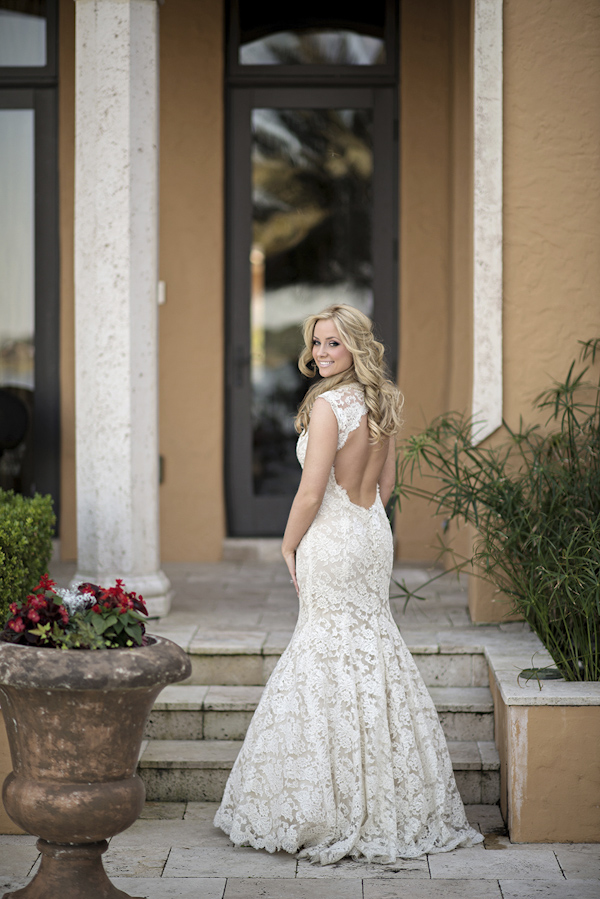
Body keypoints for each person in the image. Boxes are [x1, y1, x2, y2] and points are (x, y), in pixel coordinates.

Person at [214, 304, 483, 864]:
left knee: (321, 649)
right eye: (316, 343)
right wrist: (366, 524)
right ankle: (388, 800)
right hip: (369, 532)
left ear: (356, 346)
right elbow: (386, 484)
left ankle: (325, 804)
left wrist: (287, 544)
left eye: (333, 343)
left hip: (333, 539)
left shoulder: (330, 406)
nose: (321, 353)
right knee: (372, 648)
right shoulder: (382, 401)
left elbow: (311, 493)